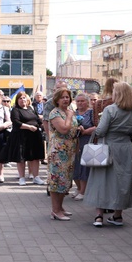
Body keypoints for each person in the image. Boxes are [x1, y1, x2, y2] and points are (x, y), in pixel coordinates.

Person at [84, 82, 132, 227]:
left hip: (108, 147)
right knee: (122, 180)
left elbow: (101, 130)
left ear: (118, 94)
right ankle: (117, 215)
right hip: (126, 148)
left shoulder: (110, 110)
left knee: (102, 179)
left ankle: (99, 216)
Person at [47, 87, 79, 220]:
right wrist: (70, 117)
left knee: (65, 180)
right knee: (57, 180)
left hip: (70, 150)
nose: (66, 99)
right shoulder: (55, 113)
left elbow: (72, 127)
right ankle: (55, 210)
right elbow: (64, 129)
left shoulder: (68, 111)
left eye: (67, 97)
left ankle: (60, 207)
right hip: (59, 151)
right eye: (63, 97)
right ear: (57, 100)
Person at [5, 91, 46, 186]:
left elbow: (37, 120)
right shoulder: (15, 110)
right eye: (20, 98)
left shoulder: (31, 108)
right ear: (17, 100)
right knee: (21, 158)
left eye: (24, 98)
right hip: (21, 137)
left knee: (35, 157)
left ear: (27, 99)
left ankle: (36, 177)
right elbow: (16, 122)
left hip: (34, 136)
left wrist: (42, 126)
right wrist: (29, 127)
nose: (22, 100)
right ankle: (22, 178)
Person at [71, 93, 96, 200]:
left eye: (82, 101)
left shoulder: (91, 112)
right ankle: (78, 187)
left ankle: (83, 191)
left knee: (84, 166)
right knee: (74, 165)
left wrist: (85, 131)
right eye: (78, 101)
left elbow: (97, 126)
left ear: (87, 102)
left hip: (87, 141)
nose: (80, 103)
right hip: (75, 142)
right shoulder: (73, 113)